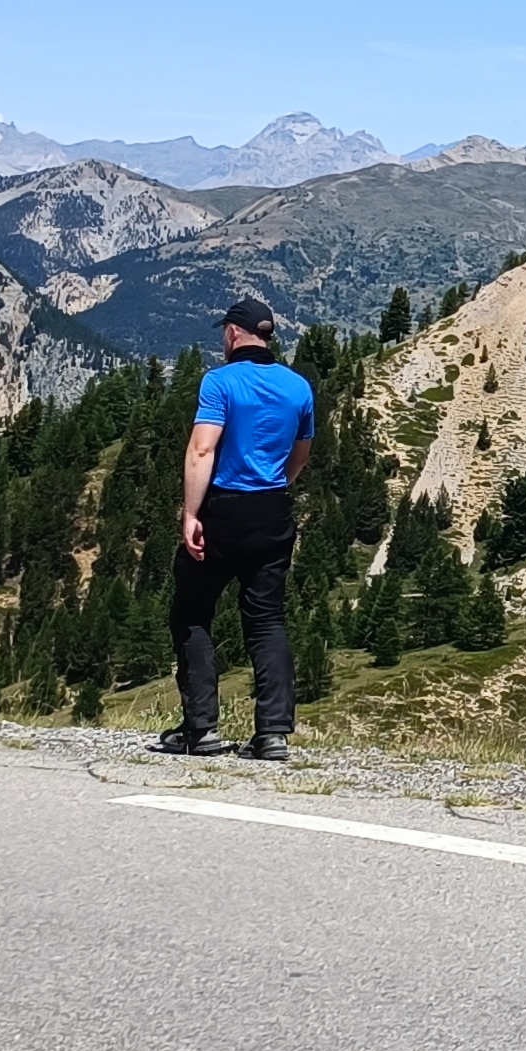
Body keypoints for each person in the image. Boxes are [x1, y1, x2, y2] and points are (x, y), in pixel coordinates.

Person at [155, 298, 315, 759]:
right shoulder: (298, 386)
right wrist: (274, 489)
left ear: (232, 333)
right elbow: (301, 455)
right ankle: (273, 734)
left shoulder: (220, 381)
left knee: (192, 613)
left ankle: (201, 729)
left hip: (223, 510)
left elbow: (202, 450)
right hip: (273, 511)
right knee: (267, 620)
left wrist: (191, 513)